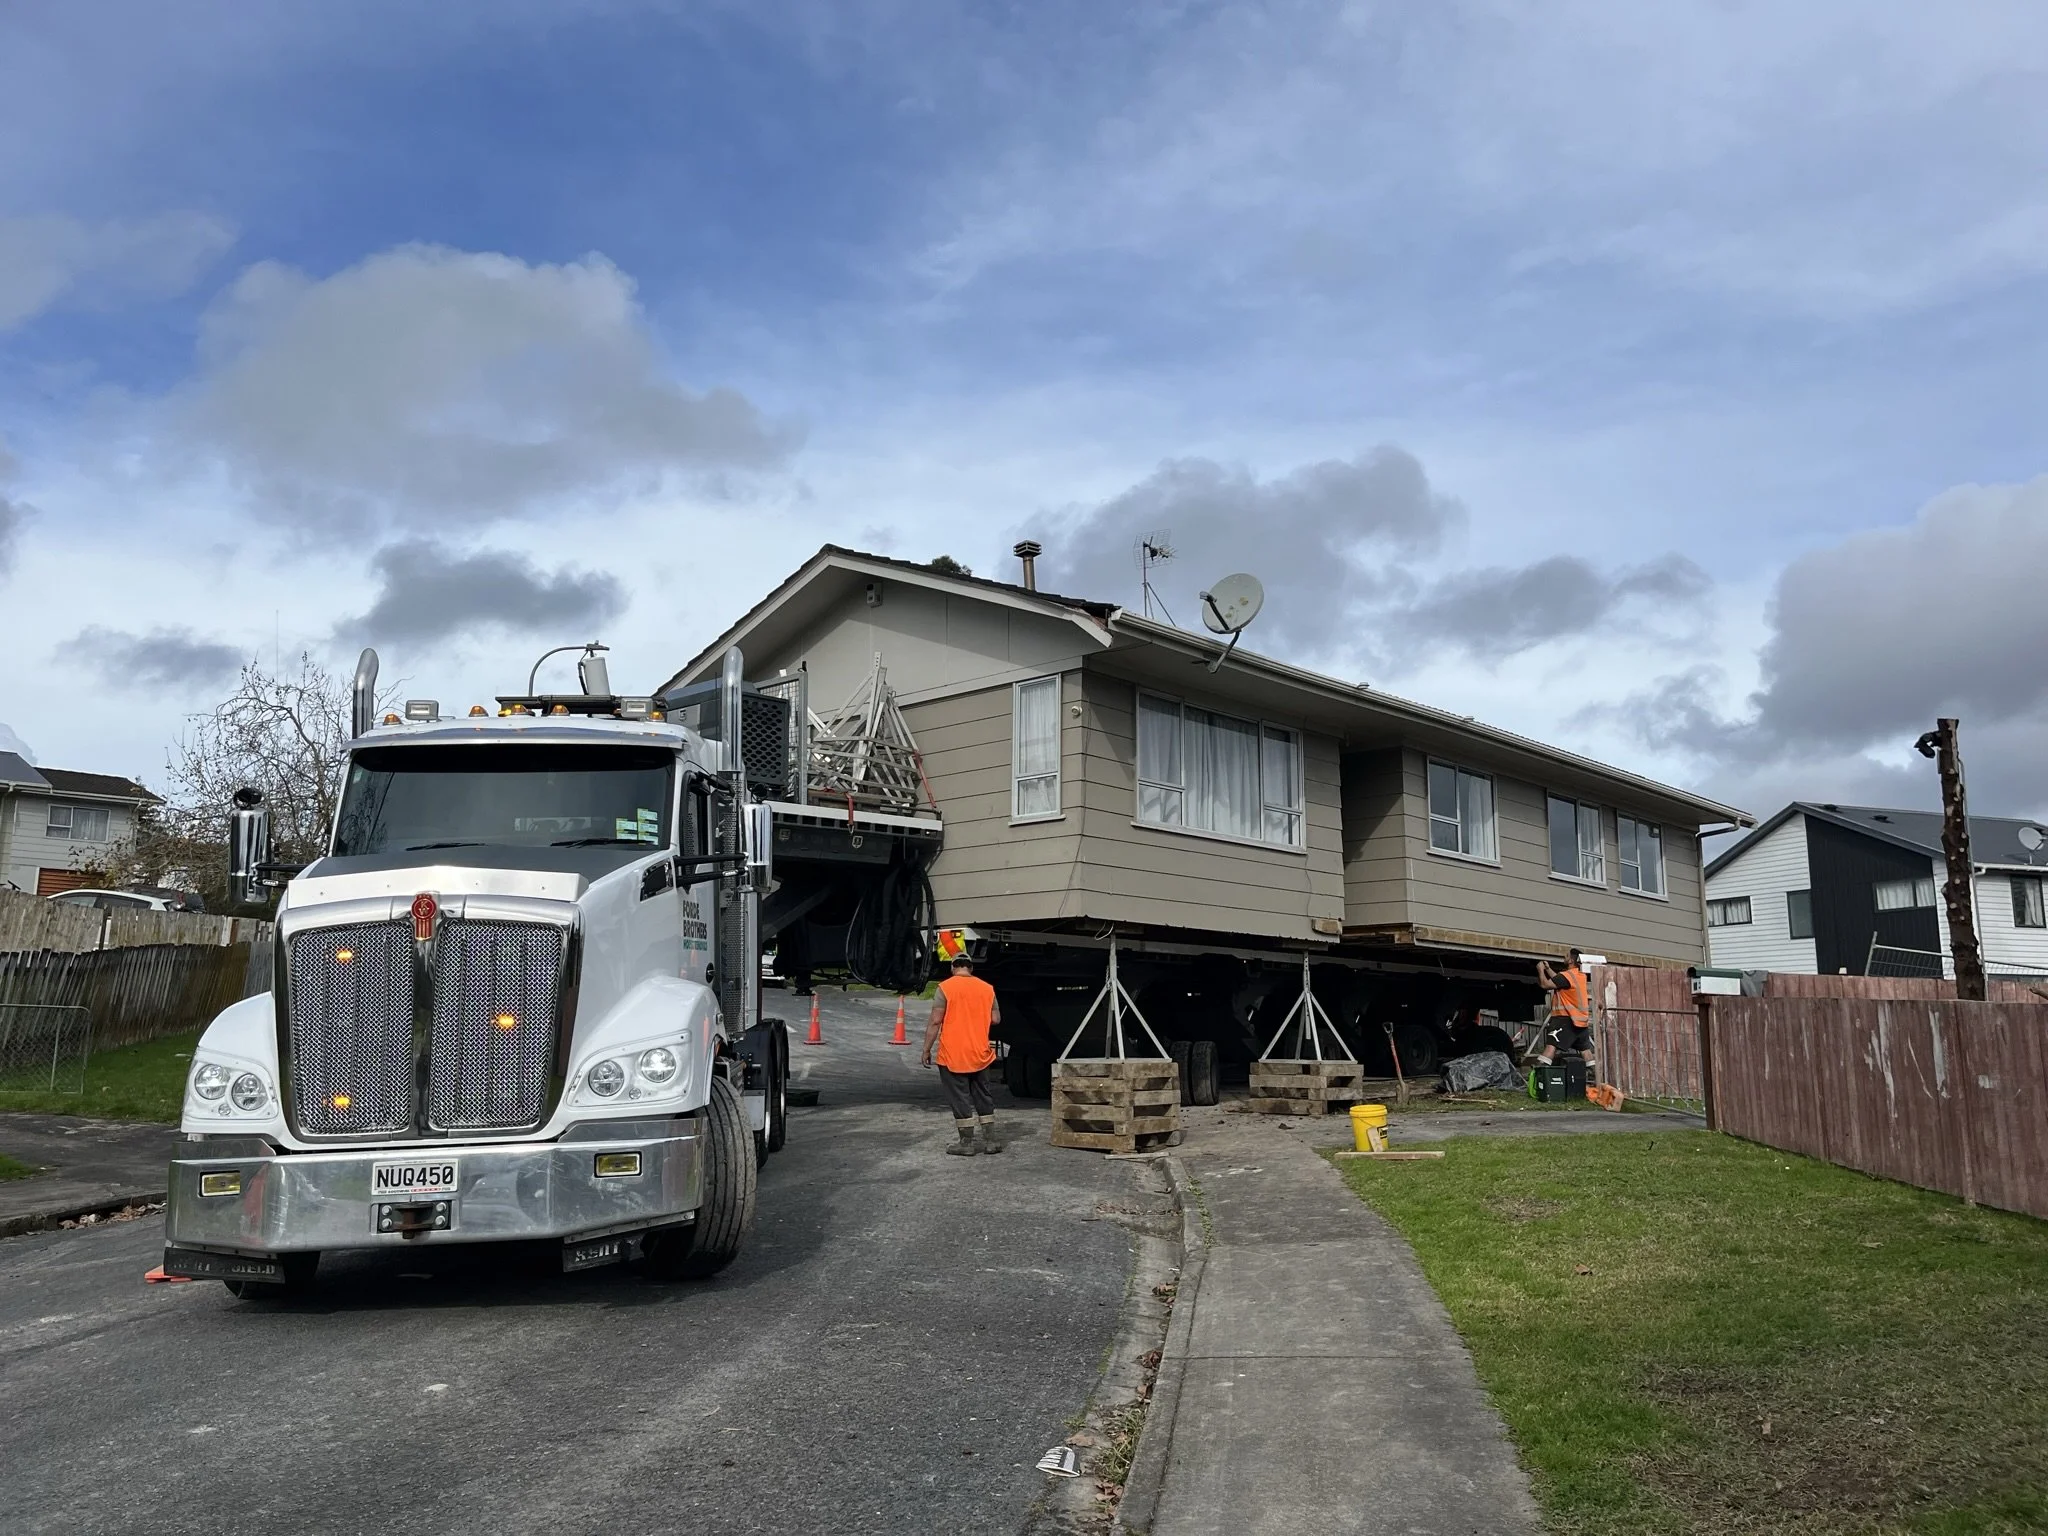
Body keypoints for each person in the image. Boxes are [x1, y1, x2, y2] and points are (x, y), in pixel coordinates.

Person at [920, 954, 1003, 1155]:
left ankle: (966, 1144)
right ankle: (991, 1141)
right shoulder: (986, 988)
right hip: (980, 1053)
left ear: (953, 968)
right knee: (983, 1095)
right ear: (971, 968)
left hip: (953, 1054)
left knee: (960, 1098)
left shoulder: (946, 988)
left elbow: (935, 1021)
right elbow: (996, 1019)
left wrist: (926, 1049)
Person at [1529, 948, 1595, 1074]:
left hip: (1564, 1019)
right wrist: (1549, 969)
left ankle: (1539, 1078)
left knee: (1550, 1047)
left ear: (1571, 960)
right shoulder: (1580, 976)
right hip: (1580, 1021)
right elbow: (1560, 981)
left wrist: (1541, 970)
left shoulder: (1567, 976)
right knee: (1586, 1052)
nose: (1564, 957)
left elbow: (1545, 984)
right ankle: (1597, 1081)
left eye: (1566, 956)